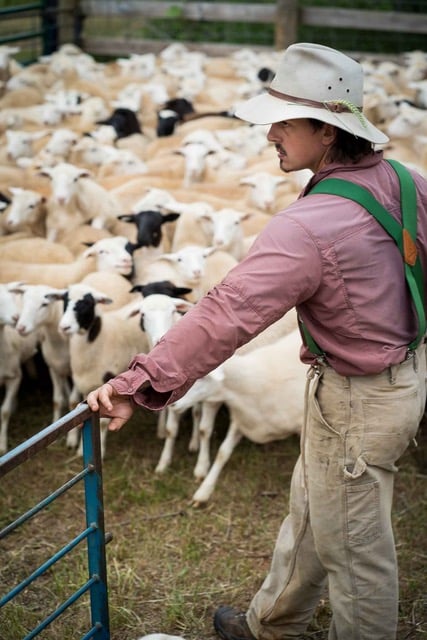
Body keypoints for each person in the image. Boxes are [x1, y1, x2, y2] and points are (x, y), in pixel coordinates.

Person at [86, 42, 427, 640]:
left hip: (360, 399)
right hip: (389, 379)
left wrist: (139, 382)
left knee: (356, 556)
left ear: (326, 131)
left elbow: (227, 313)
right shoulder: (406, 180)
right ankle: (274, 624)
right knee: (313, 509)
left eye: (283, 123)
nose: (270, 134)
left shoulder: (307, 227)